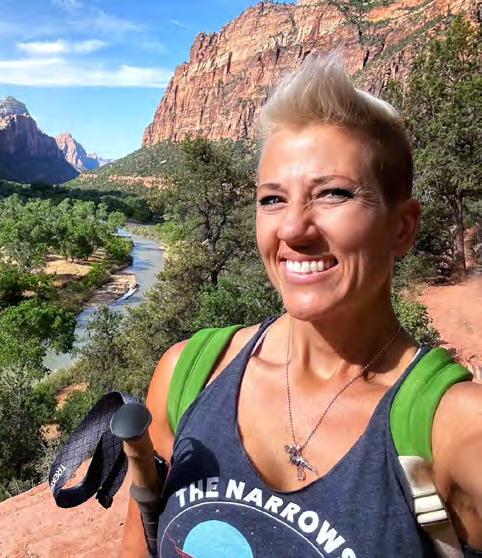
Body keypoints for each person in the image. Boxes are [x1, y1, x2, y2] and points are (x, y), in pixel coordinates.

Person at [121, 54, 482, 557]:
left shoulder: (454, 429)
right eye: (272, 199)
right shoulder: (188, 374)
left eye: (332, 193)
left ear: (402, 227)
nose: (292, 228)